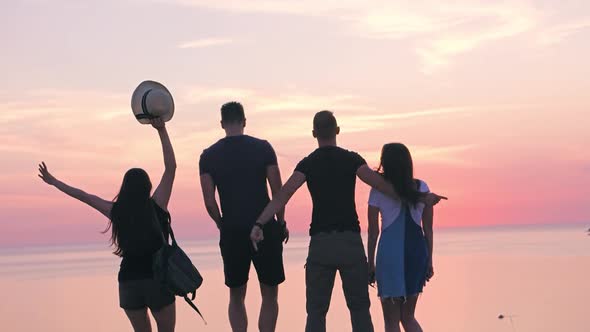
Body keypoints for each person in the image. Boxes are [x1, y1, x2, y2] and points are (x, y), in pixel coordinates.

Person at [249, 111, 445, 332]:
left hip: (321, 245)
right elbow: (385, 187)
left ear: (314, 133)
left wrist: (259, 224)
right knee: (360, 310)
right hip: (350, 244)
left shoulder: (308, 164)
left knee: (315, 312)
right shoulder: (352, 160)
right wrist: (422, 197)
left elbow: (283, 194)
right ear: (338, 131)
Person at [37, 118, 177, 332]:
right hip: (156, 279)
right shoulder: (157, 205)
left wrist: (54, 181)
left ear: (125, 188)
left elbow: (84, 196)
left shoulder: (116, 211)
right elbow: (170, 168)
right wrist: (161, 129)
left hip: (129, 282)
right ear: (148, 186)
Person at [199, 101, 289, 332]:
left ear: (222, 124)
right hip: (266, 228)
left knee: (236, 294)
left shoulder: (208, 156)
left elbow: (210, 201)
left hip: (232, 230)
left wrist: (222, 225)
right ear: (244, 121)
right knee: (269, 293)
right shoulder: (263, 148)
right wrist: (281, 221)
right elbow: (277, 191)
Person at [367, 143, 434, 332]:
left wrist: (370, 263)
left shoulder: (377, 190)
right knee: (408, 317)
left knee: (391, 321)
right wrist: (429, 261)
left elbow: (373, 233)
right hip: (416, 254)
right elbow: (427, 230)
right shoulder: (422, 187)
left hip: (389, 256)